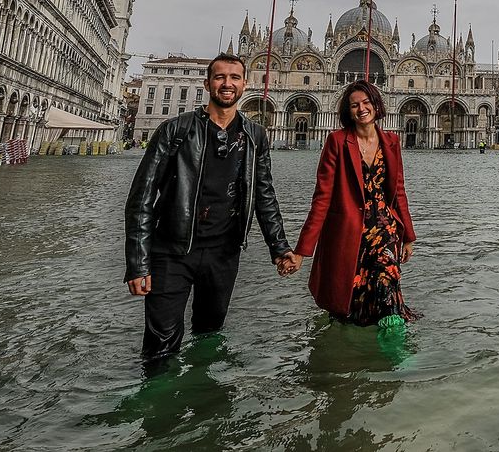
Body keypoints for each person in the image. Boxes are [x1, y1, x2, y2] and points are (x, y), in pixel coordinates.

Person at [124, 53, 295, 366]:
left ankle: (202, 403)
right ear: (208, 84)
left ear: (245, 84)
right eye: (220, 77)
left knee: (209, 335)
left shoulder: (255, 136)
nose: (227, 84)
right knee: (160, 345)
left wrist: (279, 247)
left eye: (234, 78)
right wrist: (137, 263)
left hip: (223, 253)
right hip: (172, 251)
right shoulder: (175, 130)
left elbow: (264, 195)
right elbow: (142, 196)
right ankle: (158, 407)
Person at [282, 80, 418, 329]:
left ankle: (397, 356)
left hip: (384, 232)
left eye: (366, 102)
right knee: (352, 302)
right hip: (349, 232)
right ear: (347, 111)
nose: (362, 108)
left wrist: (408, 236)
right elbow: (322, 198)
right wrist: (302, 251)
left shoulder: (392, 142)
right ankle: (353, 359)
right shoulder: (336, 141)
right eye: (355, 105)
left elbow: (399, 192)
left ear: (377, 105)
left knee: (388, 296)